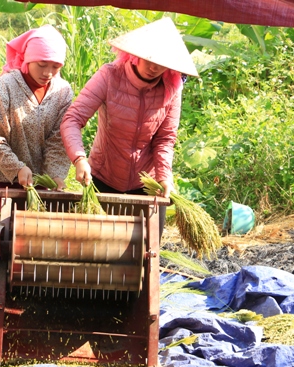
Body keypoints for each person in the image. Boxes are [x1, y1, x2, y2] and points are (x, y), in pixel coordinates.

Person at [60, 18, 198, 234]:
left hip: (147, 184)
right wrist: (79, 159)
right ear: (135, 54)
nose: (153, 67)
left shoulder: (171, 88)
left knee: (146, 252)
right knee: (99, 251)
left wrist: (163, 177)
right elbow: (72, 119)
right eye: (148, 58)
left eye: (161, 62)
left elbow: (165, 139)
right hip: (104, 178)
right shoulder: (110, 75)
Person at [0, 25, 73, 210]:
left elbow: (58, 140)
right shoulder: (6, 85)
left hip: (38, 177)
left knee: (36, 228)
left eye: (55, 66)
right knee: (14, 227)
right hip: (0, 175)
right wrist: (17, 168)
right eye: (41, 64)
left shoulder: (62, 91)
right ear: (28, 59)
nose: (48, 73)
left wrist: (54, 176)